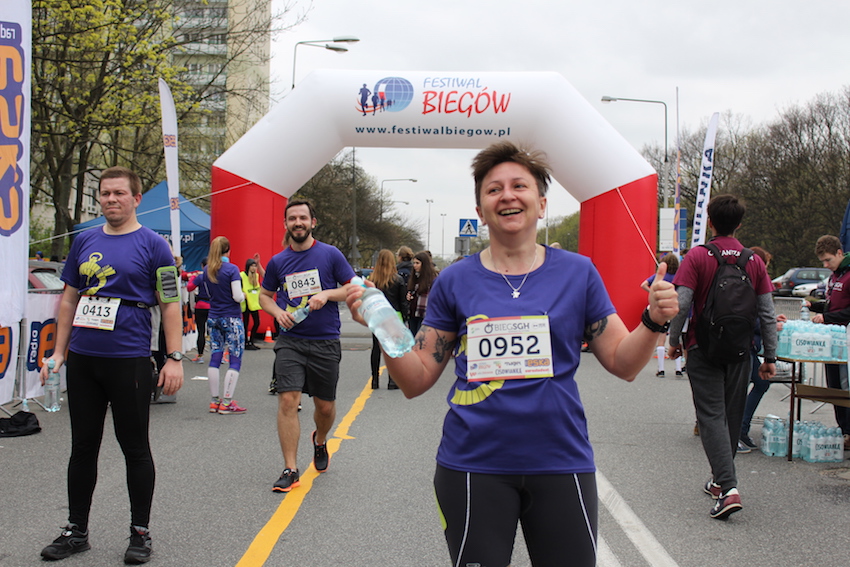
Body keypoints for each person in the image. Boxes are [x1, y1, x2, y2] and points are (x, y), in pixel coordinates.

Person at [346, 142, 678, 567]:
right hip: (473, 465)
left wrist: (652, 321)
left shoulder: (578, 273)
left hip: (561, 461)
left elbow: (623, 363)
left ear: (541, 204)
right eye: (493, 189)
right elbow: (415, 380)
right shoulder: (455, 281)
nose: (507, 196)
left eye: (519, 186)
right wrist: (384, 325)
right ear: (481, 210)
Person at [39, 166, 184, 564]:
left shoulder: (155, 246)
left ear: (136, 199)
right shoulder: (85, 240)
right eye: (105, 193)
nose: (111, 199)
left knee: (134, 448)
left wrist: (174, 358)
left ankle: (140, 533)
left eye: (119, 193)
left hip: (129, 360)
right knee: (82, 447)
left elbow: (171, 305)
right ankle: (76, 530)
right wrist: (58, 353)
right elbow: (68, 301)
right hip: (84, 360)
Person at [667, 194, 776, 520]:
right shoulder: (754, 261)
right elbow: (767, 313)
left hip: (703, 347)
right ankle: (719, 481)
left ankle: (728, 488)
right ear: (739, 224)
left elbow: (682, 304)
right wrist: (770, 356)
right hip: (742, 350)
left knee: (711, 414)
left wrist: (673, 341)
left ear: (711, 222)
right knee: (730, 414)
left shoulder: (698, 257)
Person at [259, 199, 356, 493]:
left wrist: (326, 294)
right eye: (292, 219)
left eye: (303, 218)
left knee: (324, 407)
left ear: (313, 222)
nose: (298, 223)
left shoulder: (330, 254)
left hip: (325, 341)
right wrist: (278, 313)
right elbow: (264, 296)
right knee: (288, 400)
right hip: (291, 341)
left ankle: (320, 440)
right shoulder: (278, 262)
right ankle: (290, 469)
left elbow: (352, 287)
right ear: (286, 224)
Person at [191, 237, 247, 414]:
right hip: (231, 317)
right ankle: (227, 401)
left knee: (215, 357)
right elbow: (237, 296)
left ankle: (214, 400)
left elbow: (202, 290)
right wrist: (244, 295)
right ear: (228, 250)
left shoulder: (207, 269)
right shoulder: (232, 269)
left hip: (213, 316)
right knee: (235, 359)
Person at [808, 235, 850, 448]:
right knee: (833, 386)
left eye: (828, 260)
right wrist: (814, 306)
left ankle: (849, 430)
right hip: (831, 338)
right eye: (822, 261)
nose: (825, 265)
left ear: (840, 253)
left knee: (844, 387)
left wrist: (827, 317)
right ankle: (843, 430)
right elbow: (832, 304)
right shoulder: (835, 276)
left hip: (846, 340)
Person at [738, 246, 778, 452]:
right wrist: (770, 356)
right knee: (751, 385)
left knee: (755, 384)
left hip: (743, 344)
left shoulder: (741, 280)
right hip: (746, 345)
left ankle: (740, 429)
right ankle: (737, 431)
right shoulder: (753, 283)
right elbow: (757, 318)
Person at [368, 249, 409, 390]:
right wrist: (405, 318)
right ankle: (392, 380)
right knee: (392, 348)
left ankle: (374, 380)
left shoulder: (372, 279)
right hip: (393, 316)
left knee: (376, 348)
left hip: (377, 315)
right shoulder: (397, 279)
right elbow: (403, 302)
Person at [640, 252, 683, 377]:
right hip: (676, 307)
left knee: (661, 339)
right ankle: (678, 368)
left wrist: (653, 293)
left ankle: (661, 369)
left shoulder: (660, 276)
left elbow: (643, 284)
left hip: (662, 307)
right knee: (677, 337)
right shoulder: (680, 276)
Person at [406, 251, 437, 337]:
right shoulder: (415, 277)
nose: (415, 265)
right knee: (413, 338)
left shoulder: (432, 278)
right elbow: (412, 292)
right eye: (414, 263)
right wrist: (409, 296)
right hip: (413, 312)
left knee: (421, 338)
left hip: (425, 313)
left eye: (417, 263)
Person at [186, 257, 209, 363]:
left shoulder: (200, 277)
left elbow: (189, 288)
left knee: (201, 331)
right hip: (214, 307)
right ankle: (220, 356)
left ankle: (200, 356)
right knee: (216, 332)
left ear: (202, 266)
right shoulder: (216, 277)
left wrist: (192, 278)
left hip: (201, 306)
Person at [241, 258, 263, 350]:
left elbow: (257, 288)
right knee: (245, 323)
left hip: (253, 302)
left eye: (255, 266)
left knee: (257, 322)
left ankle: (251, 341)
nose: (254, 268)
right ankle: (246, 342)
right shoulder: (242, 275)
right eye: (252, 266)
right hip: (246, 302)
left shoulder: (256, 276)